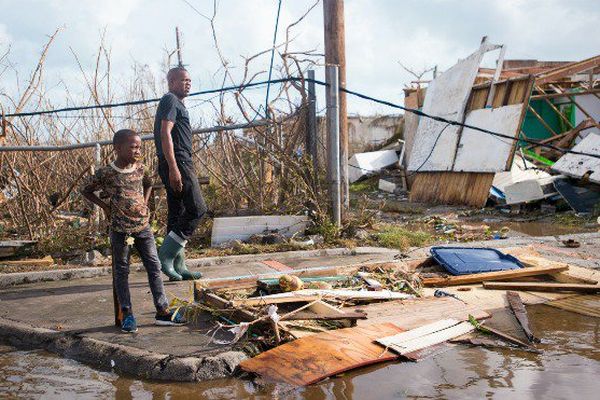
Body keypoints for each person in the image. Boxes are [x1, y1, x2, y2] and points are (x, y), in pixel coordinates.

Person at [81, 129, 187, 333]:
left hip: (143, 227)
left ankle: (163, 311)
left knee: (154, 267)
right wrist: (104, 207)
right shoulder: (106, 173)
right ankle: (127, 314)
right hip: (120, 230)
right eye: (132, 147)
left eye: (139, 146)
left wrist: (145, 203)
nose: (137, 150)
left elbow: (149, 184)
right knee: (122, 272)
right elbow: (86, 190)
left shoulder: (142, 169)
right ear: (118, 148)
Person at [153, 67, 207, 281]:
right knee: (198, 208)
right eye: (184, 80)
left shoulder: (176, 103)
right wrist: (174, 167)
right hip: (179, 161)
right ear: (171, 81)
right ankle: (165, 256)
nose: (188, 83)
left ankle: (179, 265)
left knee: (178, 213)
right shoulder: (170, 100)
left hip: (179, 162)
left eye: (190, 80)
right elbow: (165, 133)